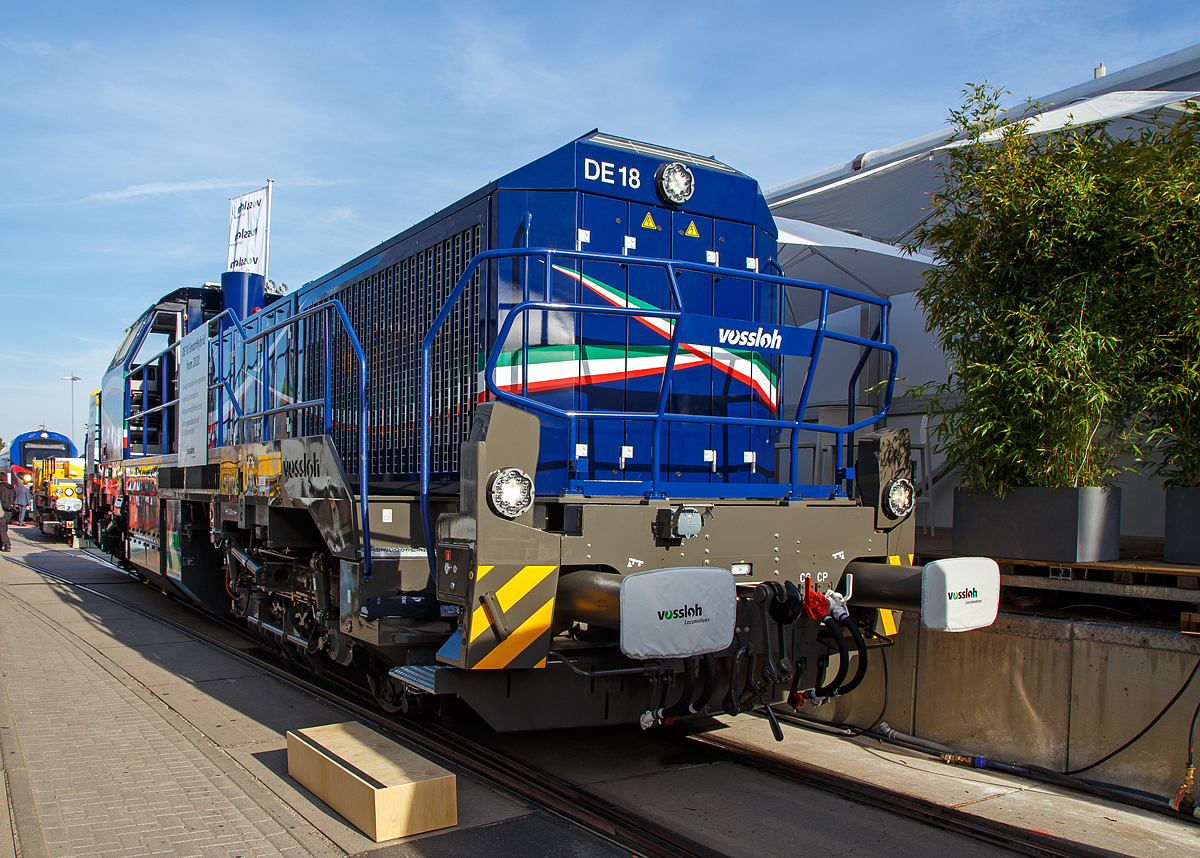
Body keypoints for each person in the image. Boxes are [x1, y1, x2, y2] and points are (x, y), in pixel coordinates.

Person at [0, 479, 14, 553]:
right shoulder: (11, 487)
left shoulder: (1, 487)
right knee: (4, 528)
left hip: (2, 510)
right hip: (9, 510)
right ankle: (4, 544)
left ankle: (6, 544)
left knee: (2, 529)